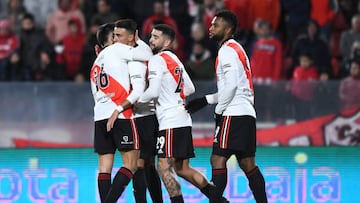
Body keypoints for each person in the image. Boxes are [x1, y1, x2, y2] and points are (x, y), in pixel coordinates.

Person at [137, 24, 227, 203]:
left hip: (170, 120)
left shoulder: (157, 59)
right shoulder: (175, 59)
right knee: (182, 168)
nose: (151, 40)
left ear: (168, 41)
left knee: (163, 166)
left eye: (156, 37)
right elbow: (190, 88)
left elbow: (153, 91)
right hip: (183, 118)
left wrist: (135, 103)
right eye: (151, 36)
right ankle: (220, 200)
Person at [185, 10, 268, 203]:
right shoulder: (237, 49)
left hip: (233, 112)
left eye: (216, 24)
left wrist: (219, 111)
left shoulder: (227, 51)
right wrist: (206, 100)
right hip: (247, 112)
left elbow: (231, 87)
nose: (210, 28)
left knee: (217, 160)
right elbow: (234, 86)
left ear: (228, 28)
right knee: (248, 164)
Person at [90, 23, 152, 203]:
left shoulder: (95, 64)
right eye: (115, 36)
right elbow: (147, 55)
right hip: (120, 115)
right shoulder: (118, 50)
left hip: (100, 117)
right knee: (132, 164)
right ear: (112, 39)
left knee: (104, 168)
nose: (118, 39)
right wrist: (137, 39)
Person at [112, 19, 163, 203]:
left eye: (119, 35)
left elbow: (140, 88)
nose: (115, 39)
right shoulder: (132, 51)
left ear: (131, 36)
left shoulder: (137, 55)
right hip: (141, 116)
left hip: (143, 115)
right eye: (114, 35)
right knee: (147, 164)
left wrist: (126, 105)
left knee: (140, 164)